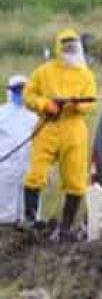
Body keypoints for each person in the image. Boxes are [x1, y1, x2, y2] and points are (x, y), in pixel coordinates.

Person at [22, 28, 97, 239]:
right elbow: (29, 94)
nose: (70, 51)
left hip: (74, 131)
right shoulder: (43, 71)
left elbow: (91, 103)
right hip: (46, 128)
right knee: (35, 174)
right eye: (66, 47)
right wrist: (45, 104)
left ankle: (66, 227)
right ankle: (31, 220)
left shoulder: (86, 75)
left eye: (73, 47)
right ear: (58, 48)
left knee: (75, 180)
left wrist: (76, 105)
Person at [0, 75, 38, 223]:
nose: (20, 93)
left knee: (27, 211)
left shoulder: (35, 116)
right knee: (4, 209)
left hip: (28, 167)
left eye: (23, 89)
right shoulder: (2, 113)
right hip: (5, 168)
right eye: (17, 90)